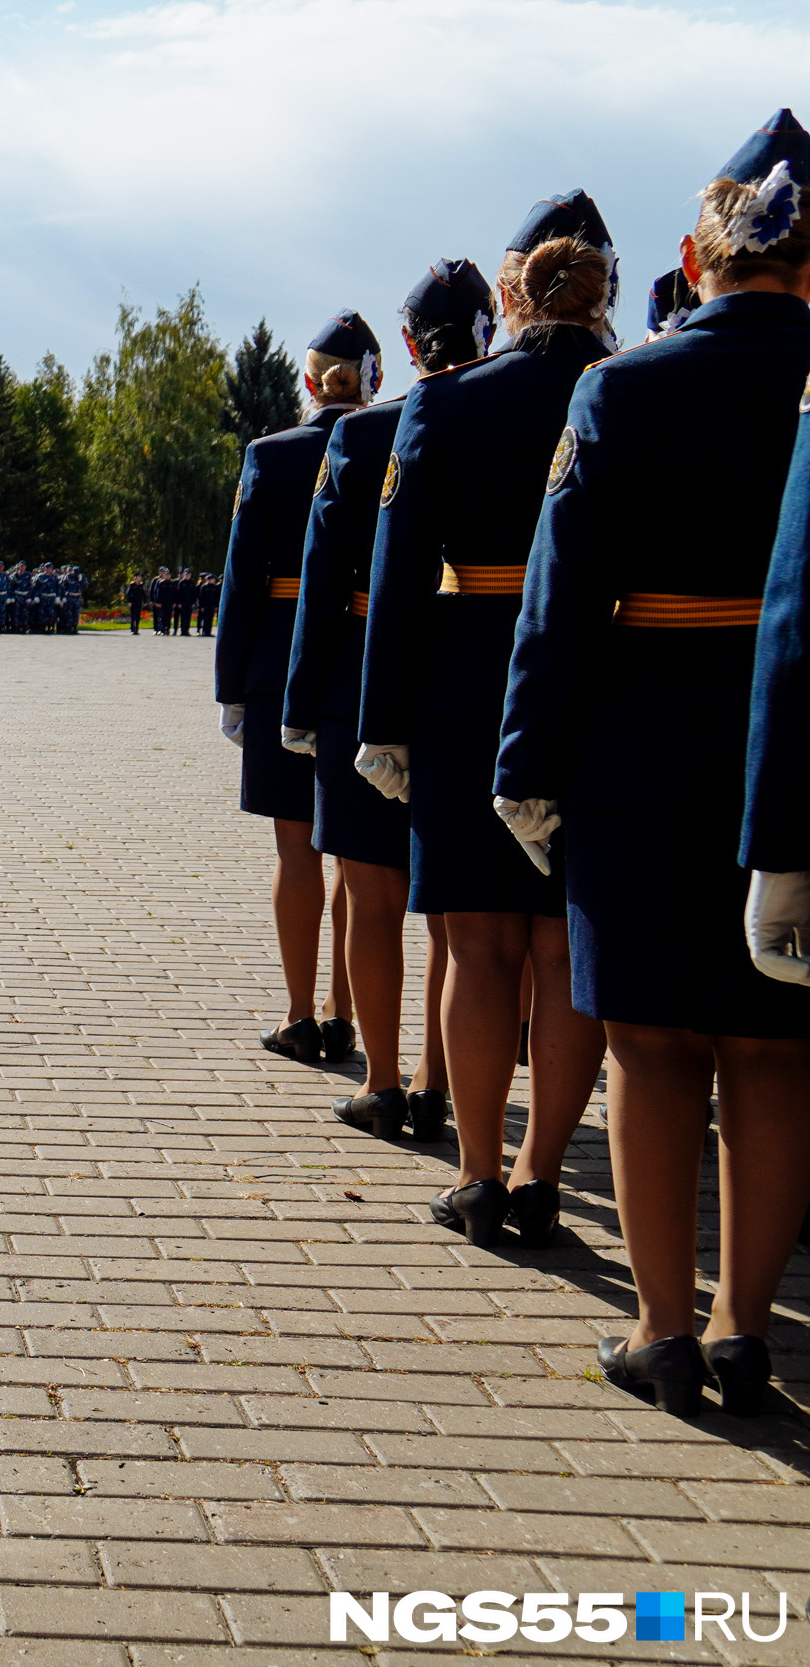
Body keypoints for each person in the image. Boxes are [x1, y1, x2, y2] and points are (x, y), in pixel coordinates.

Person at [500, 116, 810, 1414]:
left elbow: (559, 599)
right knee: (777, 1054)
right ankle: (746, 1324)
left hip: (638, 755)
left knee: (652, 1043)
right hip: (790, 761)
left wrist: (528, 755)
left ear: (695, 251)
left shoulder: (622, 391)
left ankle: (664, 1323)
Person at [366, 194, 616, 1250]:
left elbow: (394, 578)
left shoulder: (448, 404)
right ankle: (538, 1172)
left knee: (473, 943)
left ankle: (475, 1172)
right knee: (564, 951)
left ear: (512, 290)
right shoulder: (623, 390)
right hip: (599, 681)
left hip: (467, 681)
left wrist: (381, 723)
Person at [284, 262, 492, 1142]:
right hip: (463, 690)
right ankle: (437, 1077)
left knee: (371, 894)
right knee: (449, 909)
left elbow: (322, 582)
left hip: (361, 687)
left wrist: (297, 704)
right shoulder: (507, 409)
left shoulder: (367, 435)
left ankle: (380, 1077)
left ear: (404, 348)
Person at [217, 313, 371, 1068]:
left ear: (307, 381)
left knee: (294, 845)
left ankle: (300, 1014)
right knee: (351, 850)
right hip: (359, 659)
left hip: (279, 662)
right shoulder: (388, 441)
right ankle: (348, 1013)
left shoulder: (269, 455)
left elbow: (242, 582)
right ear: (373, 377)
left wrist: (231, 686)